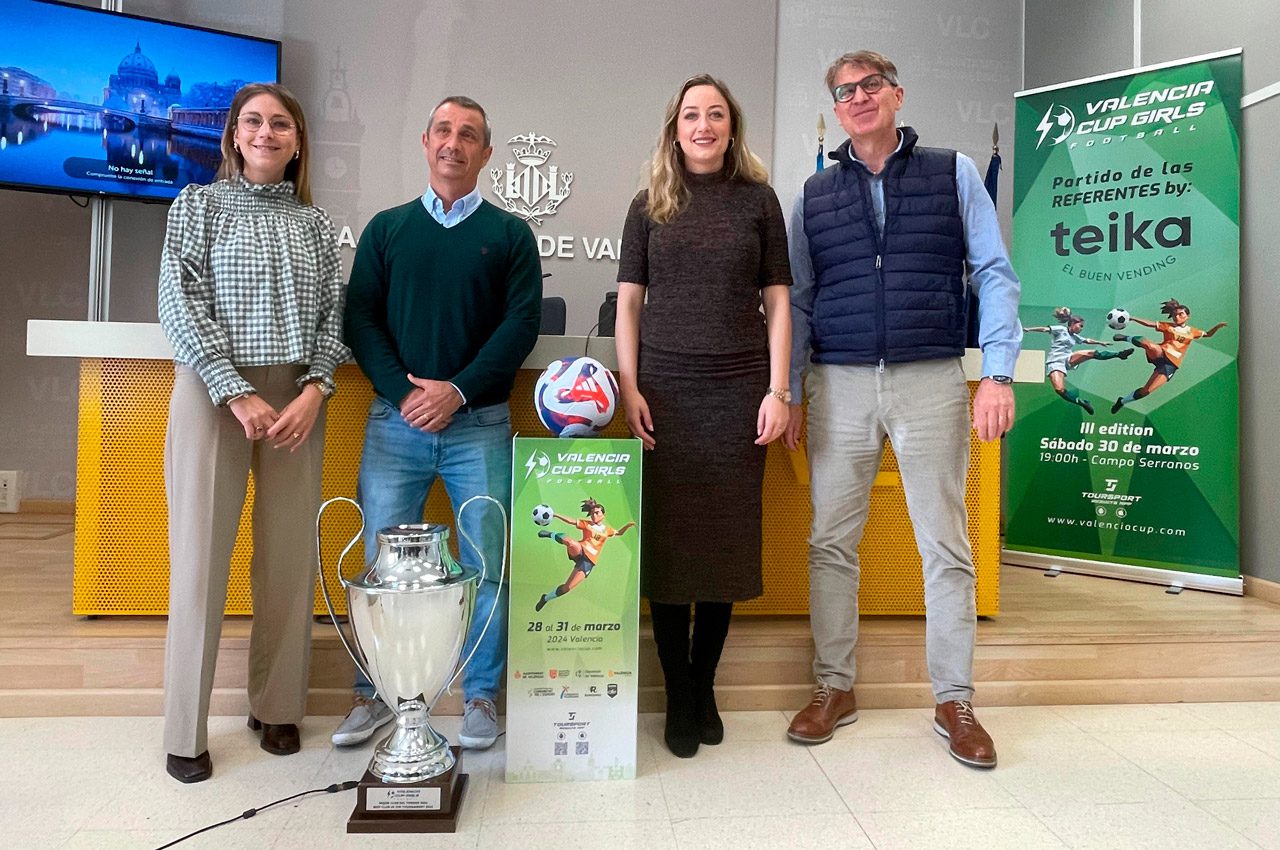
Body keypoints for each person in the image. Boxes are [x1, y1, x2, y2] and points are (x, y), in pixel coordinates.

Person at [784, 51, 1021, 768]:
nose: (857, 99)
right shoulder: (815, 193)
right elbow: (797, 297)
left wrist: (998, 372)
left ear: (896, 94)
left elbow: (993, 273)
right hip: (840, 383)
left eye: (869, 87)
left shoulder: (953, 174)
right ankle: (835, 687)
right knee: (831, 542)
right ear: (835, 105)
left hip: (931, 378)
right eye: (843, 92)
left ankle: (954, 700)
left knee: (945, 545)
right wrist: (791, 388)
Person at [338, 95, 542, 751]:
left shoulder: (511, 236)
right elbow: (360, 319)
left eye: (470, 135)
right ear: (425, 142)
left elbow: (519, 329)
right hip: (395, 426)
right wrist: (404, 392)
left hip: (478, 425)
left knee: (488, 564)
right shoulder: (387, 230)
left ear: (486, 153)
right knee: (381, 570)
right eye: (444, 131)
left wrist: (455, 391)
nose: (455, 143)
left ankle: (481, 696)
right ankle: (376, 695)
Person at [158, 83, 347, 783]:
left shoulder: (316, 225)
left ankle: (277, 706)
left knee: (288, 559)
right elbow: (179, 301)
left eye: (280, 124)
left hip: (296, 399)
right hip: (213, 397)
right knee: (201, 564)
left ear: (297, 141)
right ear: (233, 136)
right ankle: (184, 729)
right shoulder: (196, 207)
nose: (265, 133)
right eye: (253, 122)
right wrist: (233, 391)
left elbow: (335, 313)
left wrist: (316, 387)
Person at [616, 74, 792, 758]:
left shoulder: (759, 201)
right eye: (692, 114)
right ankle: (677, 695)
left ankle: (704, 684)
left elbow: (778, 301)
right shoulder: (648, 203)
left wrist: (778, 391)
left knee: (722, 541)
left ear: (731, 126)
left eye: (716, 114)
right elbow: (629, 303)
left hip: (738, 385)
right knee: (668, 544)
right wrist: (630, 385)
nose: (704, 124)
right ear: (675, 126)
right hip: (665, 387)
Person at [1110, 298, 1227, 413]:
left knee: (1146, 391)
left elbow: (1207, 334)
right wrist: (1132, 318)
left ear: (1188, 316)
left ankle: (1122, 401)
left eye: (1181, 314)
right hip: (1161, 353)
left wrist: (1217, 327)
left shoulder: (1193, 331)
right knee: (1150, 346)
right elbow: (1150, 323)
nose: (1177, 317)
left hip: (1171, 364)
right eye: (1175, 315)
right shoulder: (1168, 326)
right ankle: (1126, 337)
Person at [1023, 306, 1132, 415]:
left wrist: (1100, 343)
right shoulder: (1061, 330)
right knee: (1060, 390)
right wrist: (1029, 329)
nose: (1081, 328)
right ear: (1072, 324)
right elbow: (1045, 329)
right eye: (1080, 326)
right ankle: (1083, 403)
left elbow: (1087, 340)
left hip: (1068, 359)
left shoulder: (1075, 337)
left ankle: (1120, 354)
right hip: (1055, 362)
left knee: (1090, 353)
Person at [534, 498, 637, 611]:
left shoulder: (607, 530)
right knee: (571, 543)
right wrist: (555, 515)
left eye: (597, 513)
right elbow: (571, 521)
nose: (594, 515)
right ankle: (551, 535)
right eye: (592, 513)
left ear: (603, 514)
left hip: (588, 562)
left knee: (567, 588)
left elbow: (619, 533)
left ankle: (545, 598)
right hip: (580, 550)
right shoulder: (587, 524)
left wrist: (629, 525)